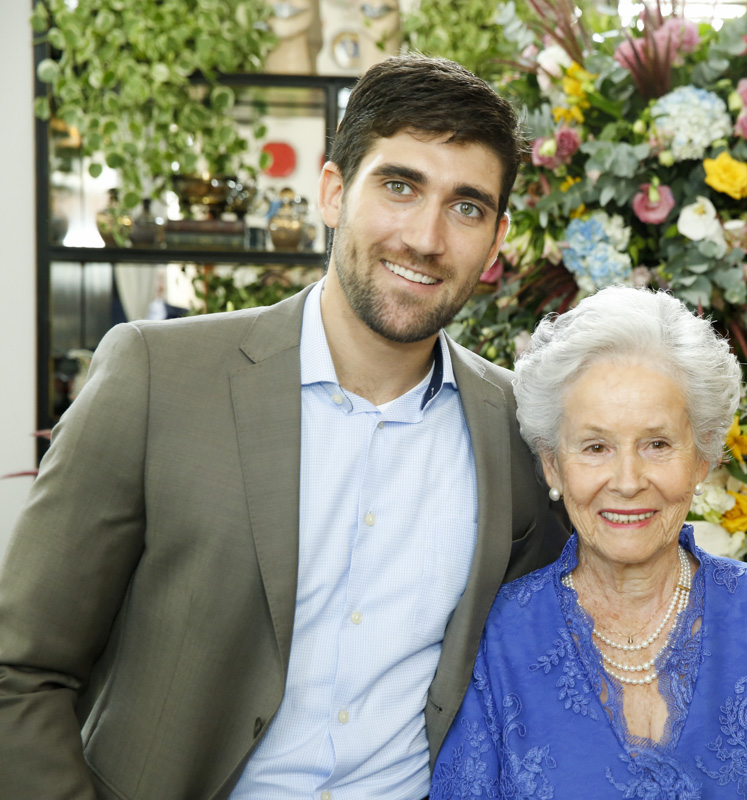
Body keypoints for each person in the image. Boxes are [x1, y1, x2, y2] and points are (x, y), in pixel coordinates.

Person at [0, 54, 565, 799]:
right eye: (399, 186)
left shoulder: (518, 430)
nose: (426, 238)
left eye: (467, 206)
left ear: (496, 241)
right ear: (333, 191)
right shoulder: (156, 377)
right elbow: (21, 670)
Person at [431, 286, 747, 798]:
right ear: (552, 463)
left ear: (702, 457)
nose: (628, 480)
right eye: (595, 447)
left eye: (657, 445)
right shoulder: (501, 633)